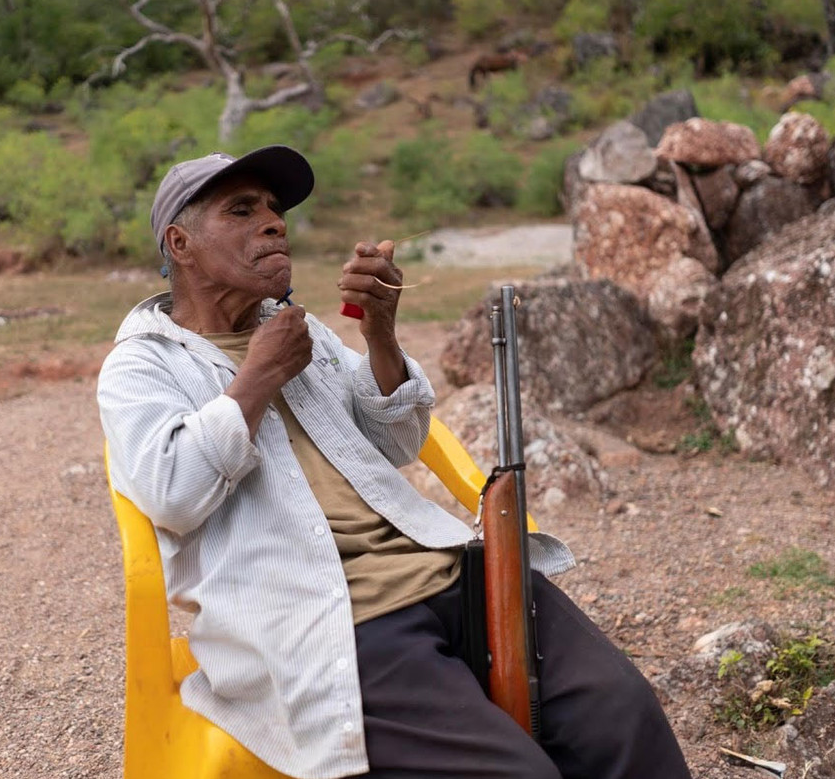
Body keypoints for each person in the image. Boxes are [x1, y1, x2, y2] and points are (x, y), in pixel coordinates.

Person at [97, 145, 692, 779]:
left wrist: (379, 333)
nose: (273, 222)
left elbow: (399, 442)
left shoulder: (303, 330)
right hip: (335, 616)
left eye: (274, 209)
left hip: (448, 571)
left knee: (624, 718)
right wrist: (257, 376)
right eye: (241, 210)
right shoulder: (143, 365)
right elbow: (171, 495)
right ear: (180, 244)